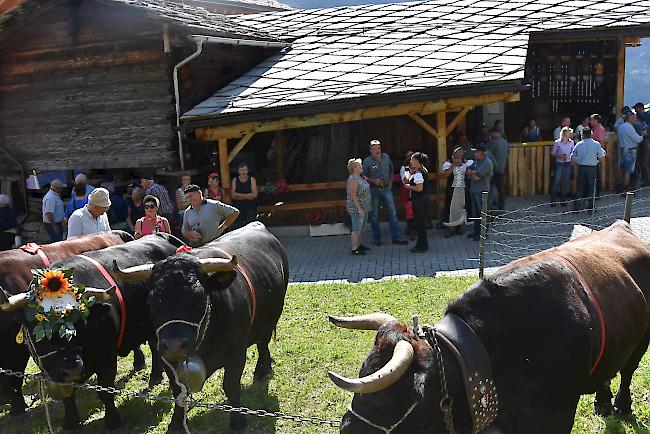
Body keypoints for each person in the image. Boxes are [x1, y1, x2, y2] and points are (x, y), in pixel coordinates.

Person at [362, 140, 407, 246]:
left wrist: (391, 182)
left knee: (392, 213)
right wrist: (373, 180)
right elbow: (362, 176)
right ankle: (377, 239)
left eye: (378, 148)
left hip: (386, 189)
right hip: (374, 190)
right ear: (370, 150)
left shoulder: (386, 157)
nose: (376, 151)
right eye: (374, 149)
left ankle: (396, 237)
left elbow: (391, 170)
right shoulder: (367, 161)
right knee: (375, 216)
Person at [571, 127, 606, 211]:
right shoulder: (596, 144)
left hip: (582, 167)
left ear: (582, 135)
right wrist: (597, 162)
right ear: (591, 134)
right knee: (591, 187)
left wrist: (578, 162)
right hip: (592, 167)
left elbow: (572, 157)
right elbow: (602, 156)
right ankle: (590, 207)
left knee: (580, 187)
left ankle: (577, 206)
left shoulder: (579, 144)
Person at [441, 147, 473, 237]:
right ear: (454, 153)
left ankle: (458, 226)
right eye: (458, 151)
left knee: (461, 207)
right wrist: (454, 165)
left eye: (462, 151)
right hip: (452, 189)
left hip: (462, 189)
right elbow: (446, 175)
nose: (460, 153)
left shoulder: (466, 162)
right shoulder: (449, 163)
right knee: (451, 208)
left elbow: (469, 174)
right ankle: (450, 228)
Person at [403, 152, 430, 253]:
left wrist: (408, 186)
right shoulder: (423, 170)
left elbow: (419, 188)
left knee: (420, 224)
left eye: (412, 160)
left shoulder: (419, 173)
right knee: (421, 224)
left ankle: (421, 246)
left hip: (419, 200)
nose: (411, 161)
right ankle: (423, 245)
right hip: (422, 200)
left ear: (417, 161)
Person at [467, 145, 493, 242]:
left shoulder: (487, 163)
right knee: (475, 213)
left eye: (476, 152)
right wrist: (473, 172)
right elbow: (468, 171)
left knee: (482, 213)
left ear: (482, 152)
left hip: (482, 192)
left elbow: (477, 177)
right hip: (474, 190)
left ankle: (483, 234)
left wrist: (472, 173)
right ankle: (476, 232)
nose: (475, 153)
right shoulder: (477, 161)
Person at [346, 158, 372, 255]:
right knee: (356, 228)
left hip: (365, 207)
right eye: (359, 165)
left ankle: (360, 245)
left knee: (362, 228)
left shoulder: (360, 177)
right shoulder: (352, 179)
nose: (361, 166)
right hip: (357, 208)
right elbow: (353, 196)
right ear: (355, 167)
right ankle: (354, 248)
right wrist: (359, 209)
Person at [617, 111, 646, 192]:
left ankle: (621, 185)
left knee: (622, 168)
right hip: (630, 150)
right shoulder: (629, 127)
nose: (635, 119)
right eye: (634, 117)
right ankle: (626, 188)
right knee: (628, 170)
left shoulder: (621, 126)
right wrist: (642, 135)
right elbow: (637, 139)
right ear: (629, 118)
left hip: (622, 149)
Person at [550, 127, 575, 206]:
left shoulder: (571, 142)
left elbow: (573, 152)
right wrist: (560, 156)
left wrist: (571, 157)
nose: (571, 135)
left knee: (566, 181)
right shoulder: (557, 142)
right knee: (556, 181)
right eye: (569, 133)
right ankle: (553, 199)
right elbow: (553, 153)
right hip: (559, 163)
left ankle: (563, 199)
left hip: (568, 163)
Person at [486, 128, 509, 210]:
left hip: (492, 169)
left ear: (495, 133)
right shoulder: (505, 142)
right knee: (501, 189)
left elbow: (487, 155)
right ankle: (501, 206)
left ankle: (489, 207)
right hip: (502, 168)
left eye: (491, 134)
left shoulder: (492, 143)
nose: (490, 135)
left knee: (490, 189)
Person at [230, 162, 258, 229]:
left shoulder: (252, 180)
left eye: (245, 170)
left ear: (247, 171)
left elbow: (254, 195)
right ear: (238, 171)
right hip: (238, 207)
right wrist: (248, 196)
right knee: (239, 227)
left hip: (251, 207)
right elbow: (233, 195)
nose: (243, 172)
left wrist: (239, 196)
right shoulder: (235, 180)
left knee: (251, 227)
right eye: (241, 170)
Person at [398, 151, 415, 240]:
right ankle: (410, 229)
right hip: (407, 192)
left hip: (416, 193)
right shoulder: (403, 168)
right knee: (409, 212)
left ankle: (415, 229)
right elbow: (405, 180)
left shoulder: (418, 168)